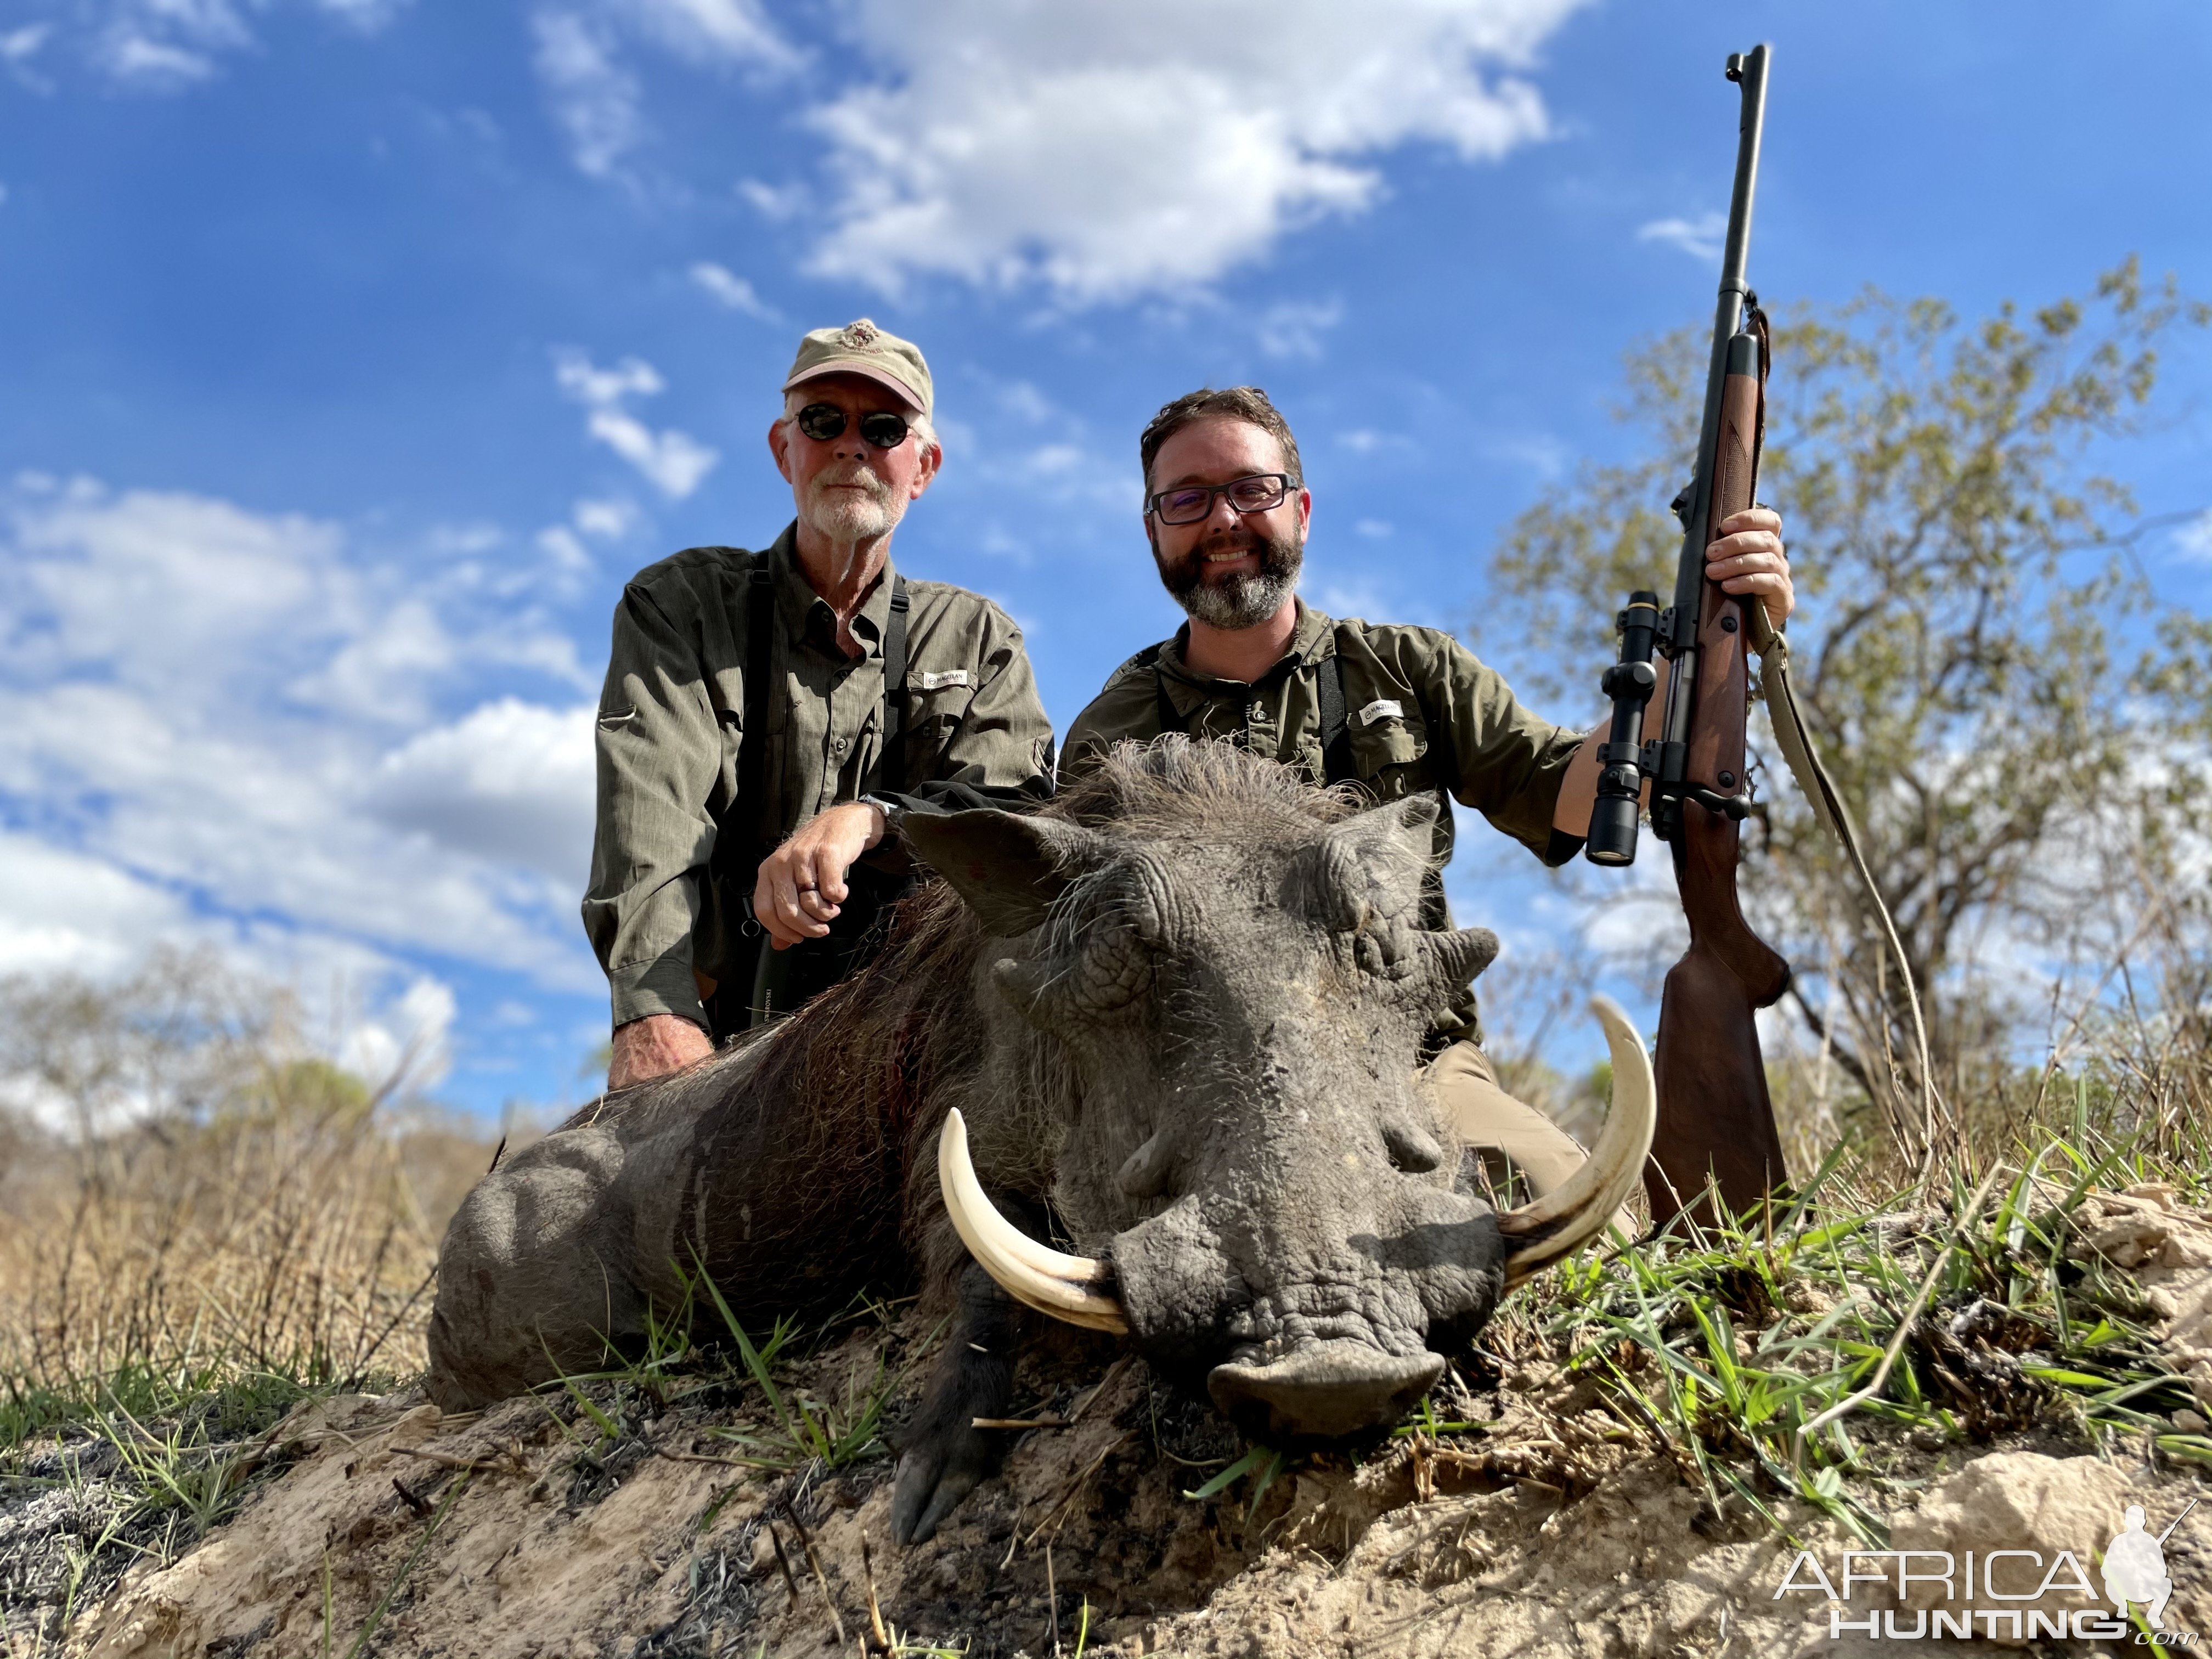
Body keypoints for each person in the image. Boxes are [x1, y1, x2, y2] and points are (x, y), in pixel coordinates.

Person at [1063, 385, 1795, 1207]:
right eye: (1188, 500)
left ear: (1301, 509)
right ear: (1154, 528)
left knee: (1586, 1234)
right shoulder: (1109, 731)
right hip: (1202, 1080)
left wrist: (1713, 631)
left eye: (1251, 490)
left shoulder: (1408, 668)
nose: (1224, 520)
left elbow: (1571, 796)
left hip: (1416, 1059)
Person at [584, 320, 1054, 1090]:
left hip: (923, 1054)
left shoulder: (980, 640)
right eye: (822, 421)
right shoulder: (680, 608)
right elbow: (651, 823)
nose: (851, 446)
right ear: (784, 449)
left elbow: (1015, 818)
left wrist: (874, 819)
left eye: (882, 428)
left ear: (924, 466)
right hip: (714, 1044)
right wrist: (653, 1015)